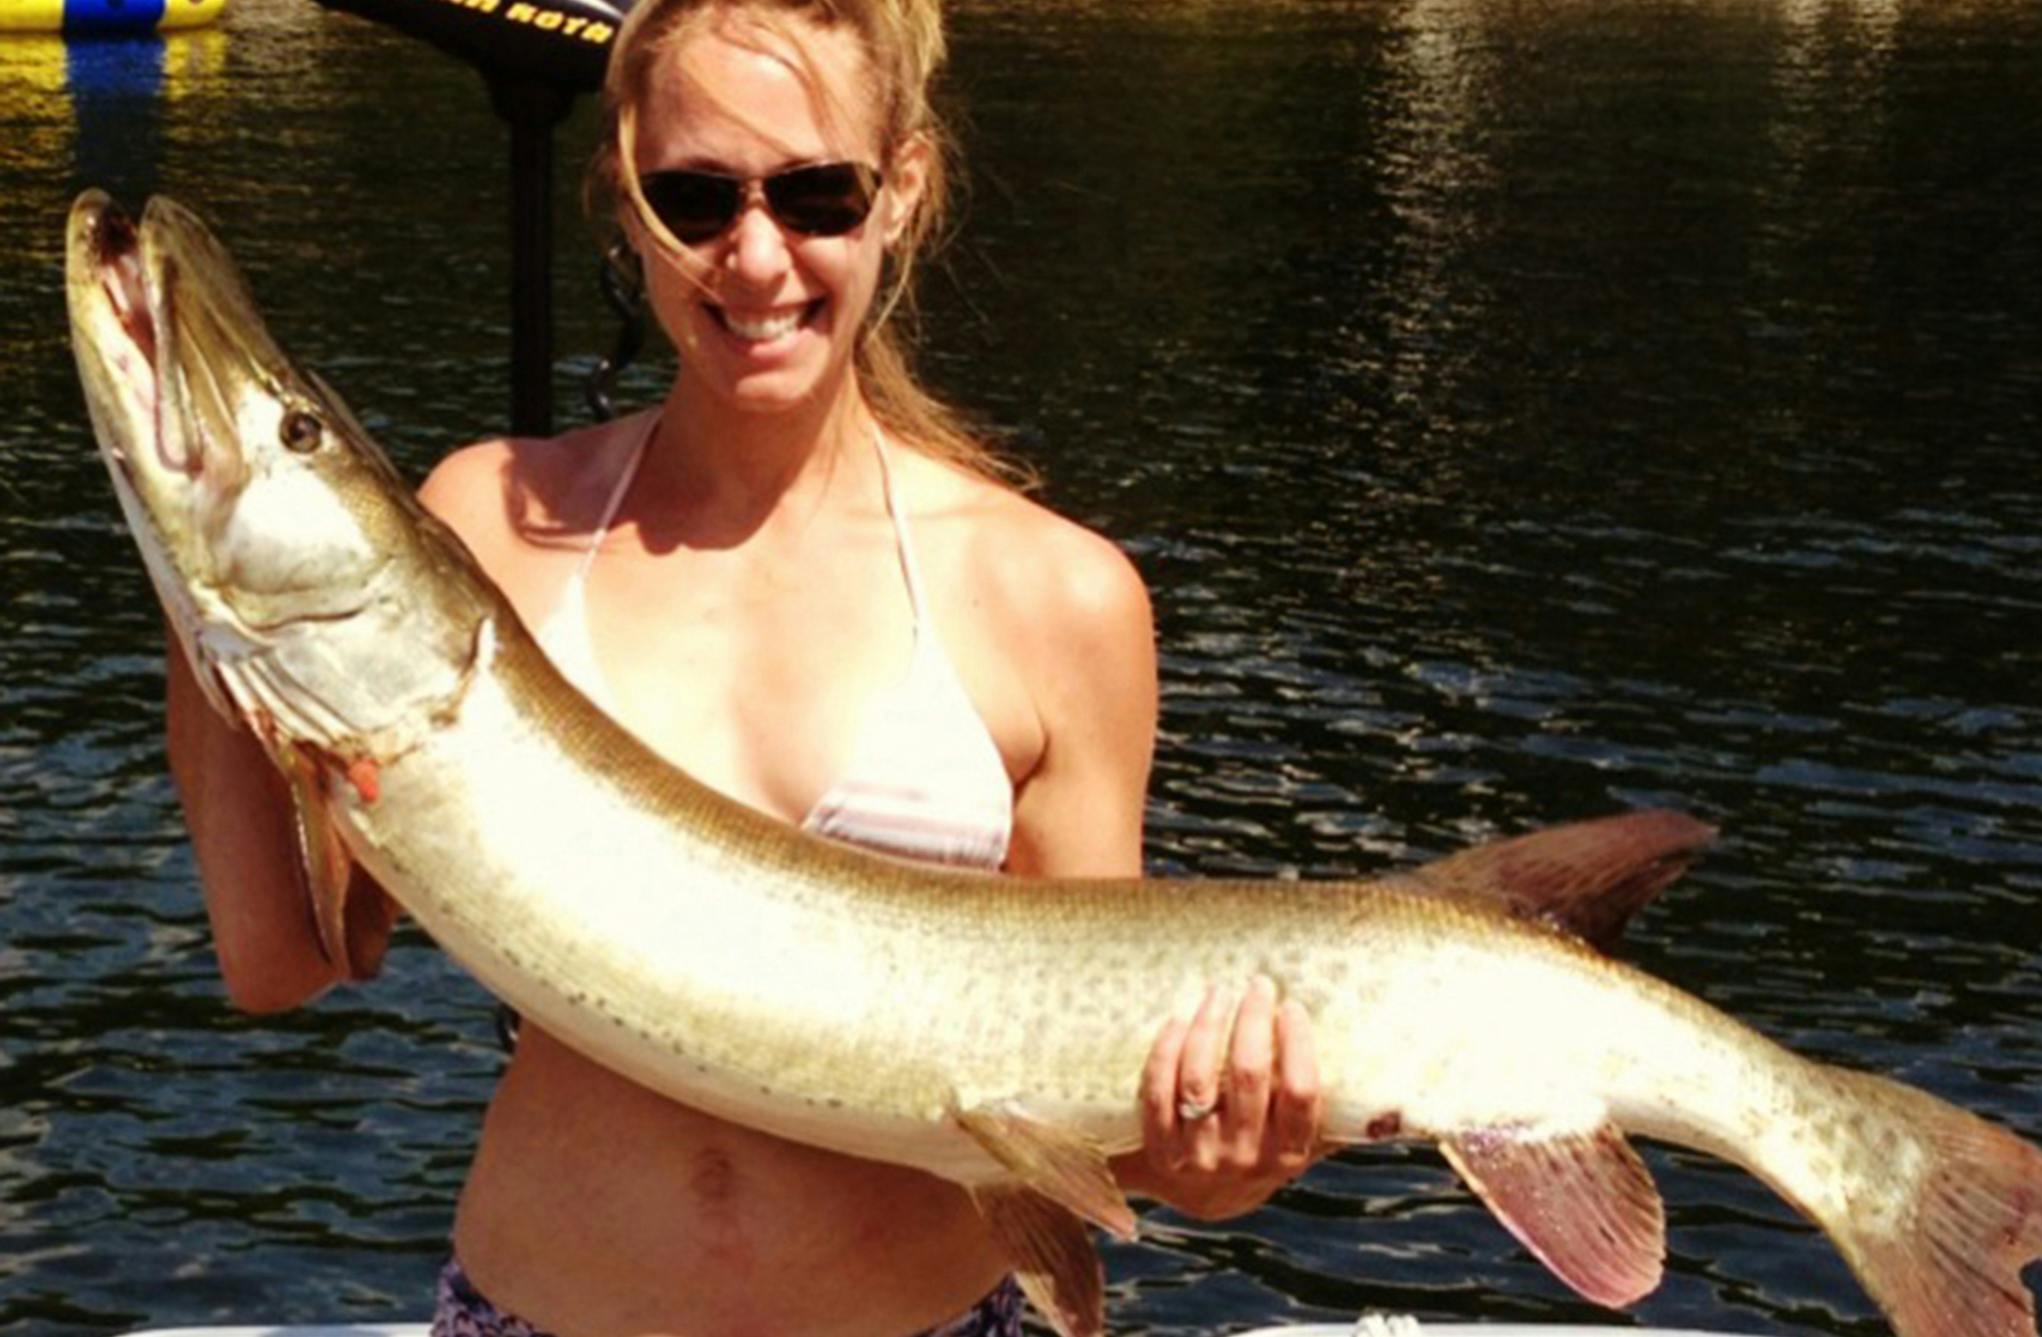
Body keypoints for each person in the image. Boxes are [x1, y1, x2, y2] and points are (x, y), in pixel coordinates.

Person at [163, 0, 1327, 1332]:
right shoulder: (487, 526)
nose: (756, 259)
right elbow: (279, 956)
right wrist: (198, 571)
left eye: (819, 193)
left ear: (906, 188)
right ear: (626, 200)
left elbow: (1077, 1107)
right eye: (695, 196)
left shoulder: (1058, 596)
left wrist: (1213, 1161)